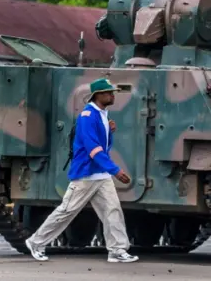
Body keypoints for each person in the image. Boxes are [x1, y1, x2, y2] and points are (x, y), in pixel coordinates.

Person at [24, 77, 139, 264]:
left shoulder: (102, 114)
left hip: (100, 174)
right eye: (109, 93)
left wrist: (110, 132)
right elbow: (93, 148)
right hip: (86, 174)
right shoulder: (87, 116)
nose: (112, 95)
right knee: (67, 211)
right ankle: (36, 242)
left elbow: (103, 145)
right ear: (98, 95)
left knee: (113, 211)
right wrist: (115, 170)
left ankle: (117, 250)